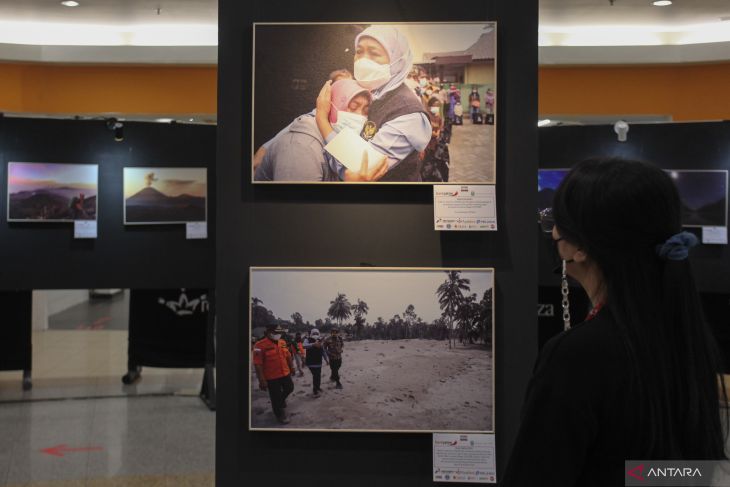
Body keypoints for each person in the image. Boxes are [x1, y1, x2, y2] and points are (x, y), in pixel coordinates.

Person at [503, 158, 728, 486]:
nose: (551, 231)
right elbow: (680, 473)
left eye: (556, 220)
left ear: (580, 247)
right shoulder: (685, 334)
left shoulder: (577, 354)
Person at [314, 25, 431, 182]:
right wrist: (271, 147)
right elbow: (320, 109)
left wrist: (322, 122)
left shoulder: (408, 114)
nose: (363, 59)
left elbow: (361, 168)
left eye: (374, 53)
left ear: (396, 61)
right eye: (359, 51)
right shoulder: (366, 88)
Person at [255, 79, 385, 182]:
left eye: (365, 111)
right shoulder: (301, 147)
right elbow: (299, 212)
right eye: (352, 107)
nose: (359, 116)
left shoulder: (339, 140)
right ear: (330, 106)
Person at [253, 324, 295, 424]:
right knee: (275, 395)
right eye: (275, 332)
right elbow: (258, 364)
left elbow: (288, 356)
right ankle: (279, 414)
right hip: (271, 377)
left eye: (279, 332)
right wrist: (261, 380)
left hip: (285, 372)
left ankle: (279, 402)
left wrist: (292, 367)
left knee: (290, 388)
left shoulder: (282, 342)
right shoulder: (258, 345)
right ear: (267, 332)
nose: (278, 334)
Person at [303, 328, 329, 397]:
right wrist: (313, 344)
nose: (315, 335)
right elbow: (304, 346)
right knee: (316, 376)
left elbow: (323, 351)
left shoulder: (320, 341)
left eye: (316, 333)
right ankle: (315, 390)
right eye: (314, 333)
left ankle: (318, 387)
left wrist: (326, 360)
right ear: (311, 334)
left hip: (318, 362)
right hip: (311, 362)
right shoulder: (307, 340)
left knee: (318, 376)